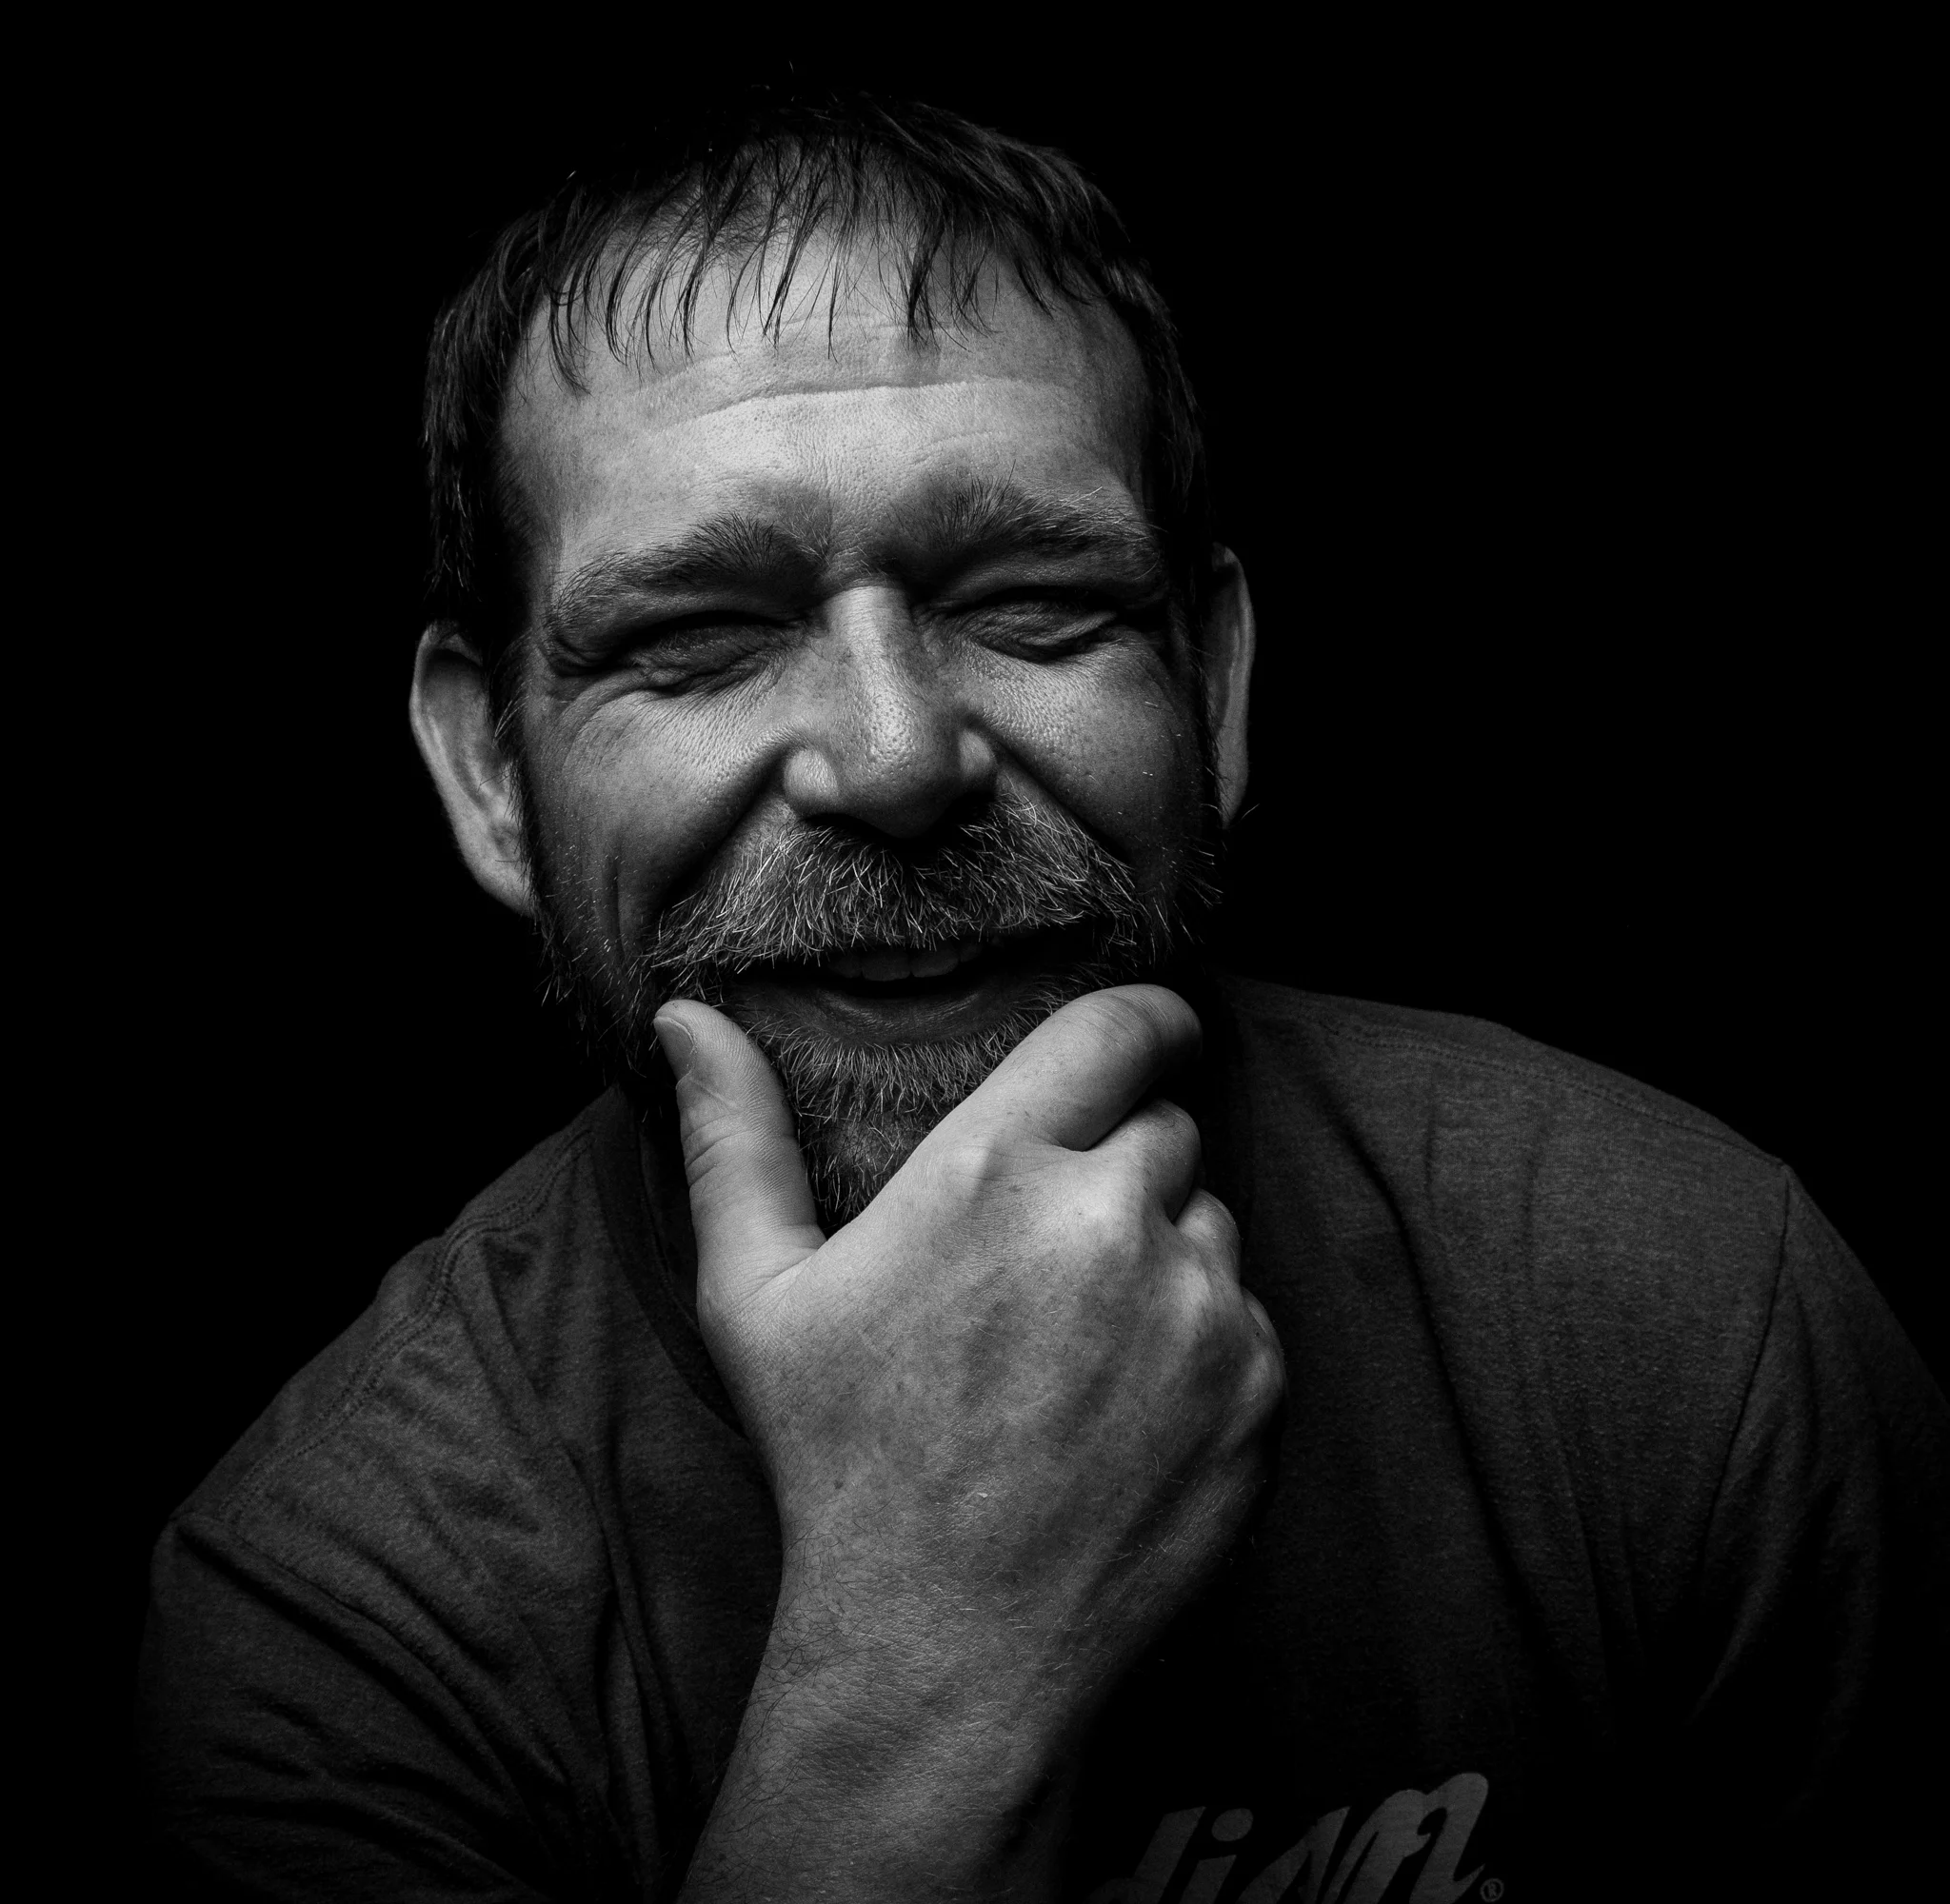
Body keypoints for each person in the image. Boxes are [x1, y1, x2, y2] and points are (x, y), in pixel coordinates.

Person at [137, 95, 1947, 1903]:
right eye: (695, 638)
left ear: (1214, 687)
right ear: (488, 776)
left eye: (1033, 600)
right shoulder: (336, 1628)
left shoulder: (1685, 1322)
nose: (895, 758)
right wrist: (935, 1651)